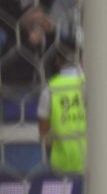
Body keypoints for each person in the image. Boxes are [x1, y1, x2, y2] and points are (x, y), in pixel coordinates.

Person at [37, 39, 86, 174]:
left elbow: (43, 132)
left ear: (57, 59)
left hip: (61, 166)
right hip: (94, 163)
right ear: (81, 57)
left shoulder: (49, 89)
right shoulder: (93, 84)